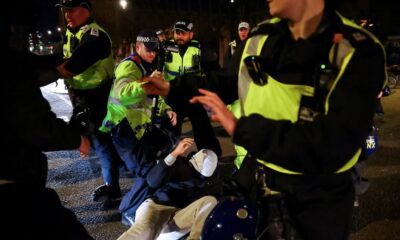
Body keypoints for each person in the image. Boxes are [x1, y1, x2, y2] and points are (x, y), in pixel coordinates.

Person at [145, 0, 386, 239]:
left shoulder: (357, 49)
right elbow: (224, 83)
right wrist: (170, 88)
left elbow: (333, 144)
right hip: (257, 175)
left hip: (316, 197)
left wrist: (243, 129)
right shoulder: (261, 36)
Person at [2, 1, 93, 239]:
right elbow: (34, 123)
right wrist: (76, 139)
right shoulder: (10, 67)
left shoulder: (94, 36)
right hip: (14, 184)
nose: (66, 14)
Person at [100, 30, 177, 224]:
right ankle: (129, 210)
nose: (153, 54)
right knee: (149, 172)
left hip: (138, 128)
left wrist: (166, 109)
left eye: (155, 50)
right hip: (123, 128)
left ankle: (147, 199)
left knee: (160, 157)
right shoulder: (129, 65)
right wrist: (147, 82)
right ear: (138, 47)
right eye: (149, 50)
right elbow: (124, 93)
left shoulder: (147, 65)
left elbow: (153, 97)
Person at [55, 0, 123, 208]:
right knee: (93, 139)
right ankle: (114, 165)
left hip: (97, 96)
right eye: (65, 10)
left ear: (86, 10)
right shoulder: (70, 33)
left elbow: (70, 68)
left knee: (101, 142)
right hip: (80, 97)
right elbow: (57, 57)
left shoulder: (96, 37)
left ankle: (113, 188)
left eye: (72, 10)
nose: (67, 15)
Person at [117, 138, 221, 240]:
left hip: (177, 218)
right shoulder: (178, 163)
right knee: (146, 230)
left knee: (210, 200)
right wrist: (174, 154)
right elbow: (152, 181)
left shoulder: (210, 183)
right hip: (156, 207)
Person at [163, 19, 222, 156]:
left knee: (203, 130)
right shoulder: (165, 48)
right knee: (169, 132)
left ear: (191, 34)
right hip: (173, 97)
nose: (179, 36)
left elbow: (213, 71)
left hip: (193, 96)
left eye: (183, 33)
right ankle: (167, 161)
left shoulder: (200, 48)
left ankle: (210, 158)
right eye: (177, 32)